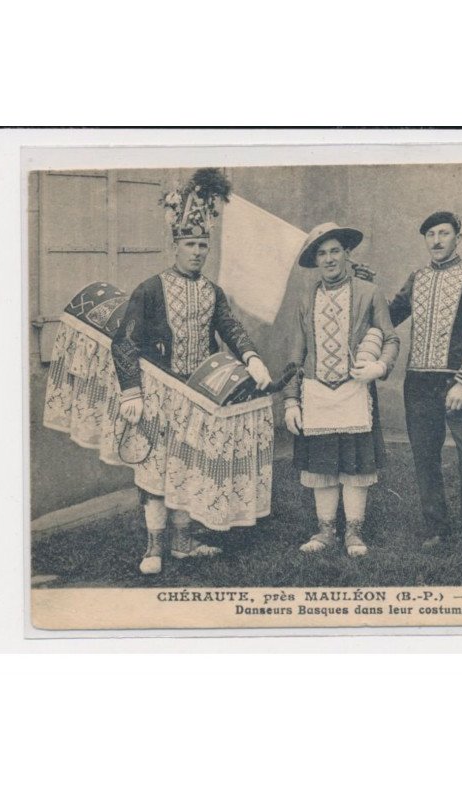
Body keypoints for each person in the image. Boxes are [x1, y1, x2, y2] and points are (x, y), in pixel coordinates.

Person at [111, 169, 272, 575]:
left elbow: (231, 328)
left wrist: (251, 357)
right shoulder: (150, 289)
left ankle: (183, 543)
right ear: (175, 246)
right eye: (190, 244)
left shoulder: (212, 292)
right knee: (155, 470)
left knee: (187, 468)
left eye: (203, 245)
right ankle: (153, 547)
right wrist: (131, 391)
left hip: (199, 393)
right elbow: (124, 341)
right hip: (160, 393)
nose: (198, 252)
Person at [284, 222, 400, 557]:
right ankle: (325, 531)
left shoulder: (368, 292)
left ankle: (353, 532)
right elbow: (296, 353)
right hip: (316, 391)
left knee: (356, 463)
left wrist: (379, 366)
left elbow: (390, 338)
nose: (329, 258)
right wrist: (291, 399)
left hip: (355, 390)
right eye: (322, 253)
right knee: (321, 463)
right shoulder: (306, 298)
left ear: (347, 254)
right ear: (315, 260)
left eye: (335, 250)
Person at [389, 211, 462, 566]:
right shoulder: (416, 279)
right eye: (430, 234)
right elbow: (389, 316)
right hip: (418, 382)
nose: (436, 240)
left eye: (444, 233)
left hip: (456, 381)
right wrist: (365, 291)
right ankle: (437, 528)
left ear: (457, 237)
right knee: (425, 458)